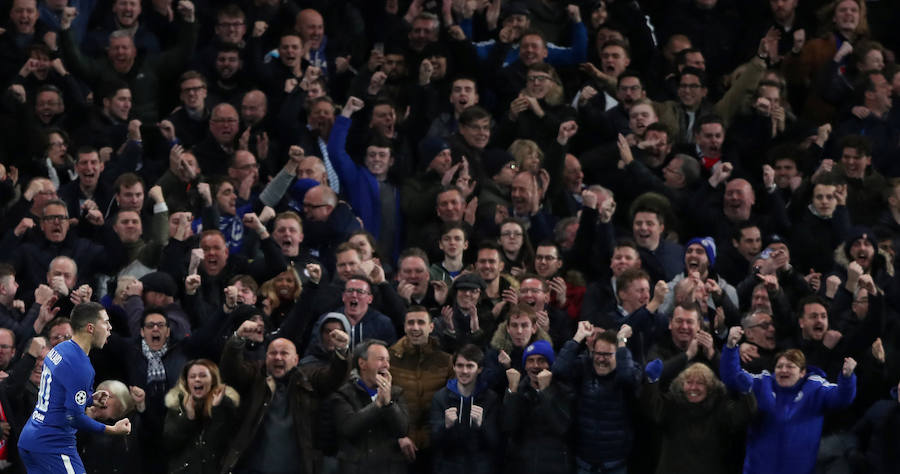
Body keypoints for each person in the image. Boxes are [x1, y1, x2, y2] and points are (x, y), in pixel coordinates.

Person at [719, 326, 858, 474]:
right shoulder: (761, 383)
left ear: (802, 372)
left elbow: (842, 398)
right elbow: (732, 377)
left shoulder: (816, 388)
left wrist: (847, 378)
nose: (783, 370)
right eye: (779, 366)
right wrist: (730, 347)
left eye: (790, 366)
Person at [18, 302, 132, 473]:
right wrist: (112, 429)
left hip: (31, 438)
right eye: (106, 322)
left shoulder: (60, 349)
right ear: (91, 328)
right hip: (54, 446)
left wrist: (89, 399)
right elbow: (74, 418)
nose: (110, 327)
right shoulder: (80, 366)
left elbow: (57, 395)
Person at [641, 361, 756, 474]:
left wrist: (747, 394)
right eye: (689, 382)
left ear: (710, 387)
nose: (693, 388)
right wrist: (652, 382)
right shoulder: (673, 403)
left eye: (700, 383)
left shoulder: (720, 406)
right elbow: (653, 408)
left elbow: (740, 416)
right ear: (682, 385)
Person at [429, 343, 500, 474]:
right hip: (448, 467)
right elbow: (433, 441)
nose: (464, 371)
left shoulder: (491, 398)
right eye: (460, 366)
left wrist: (481, 425)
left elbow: (496, 443)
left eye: (470, 366)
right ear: (454, 367)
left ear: (479, 369)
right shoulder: (440, 397)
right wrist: (446, 426)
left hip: (480, 468)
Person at [163, 359, 239, 474]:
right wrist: (188, 418)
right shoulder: (176, 405)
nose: (197, 379)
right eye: (192, 376)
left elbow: (222, 442)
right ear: (186, 381)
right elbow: (169, 444)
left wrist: (217, 410)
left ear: (212, 380)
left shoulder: (226, 405)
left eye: (203, 375)